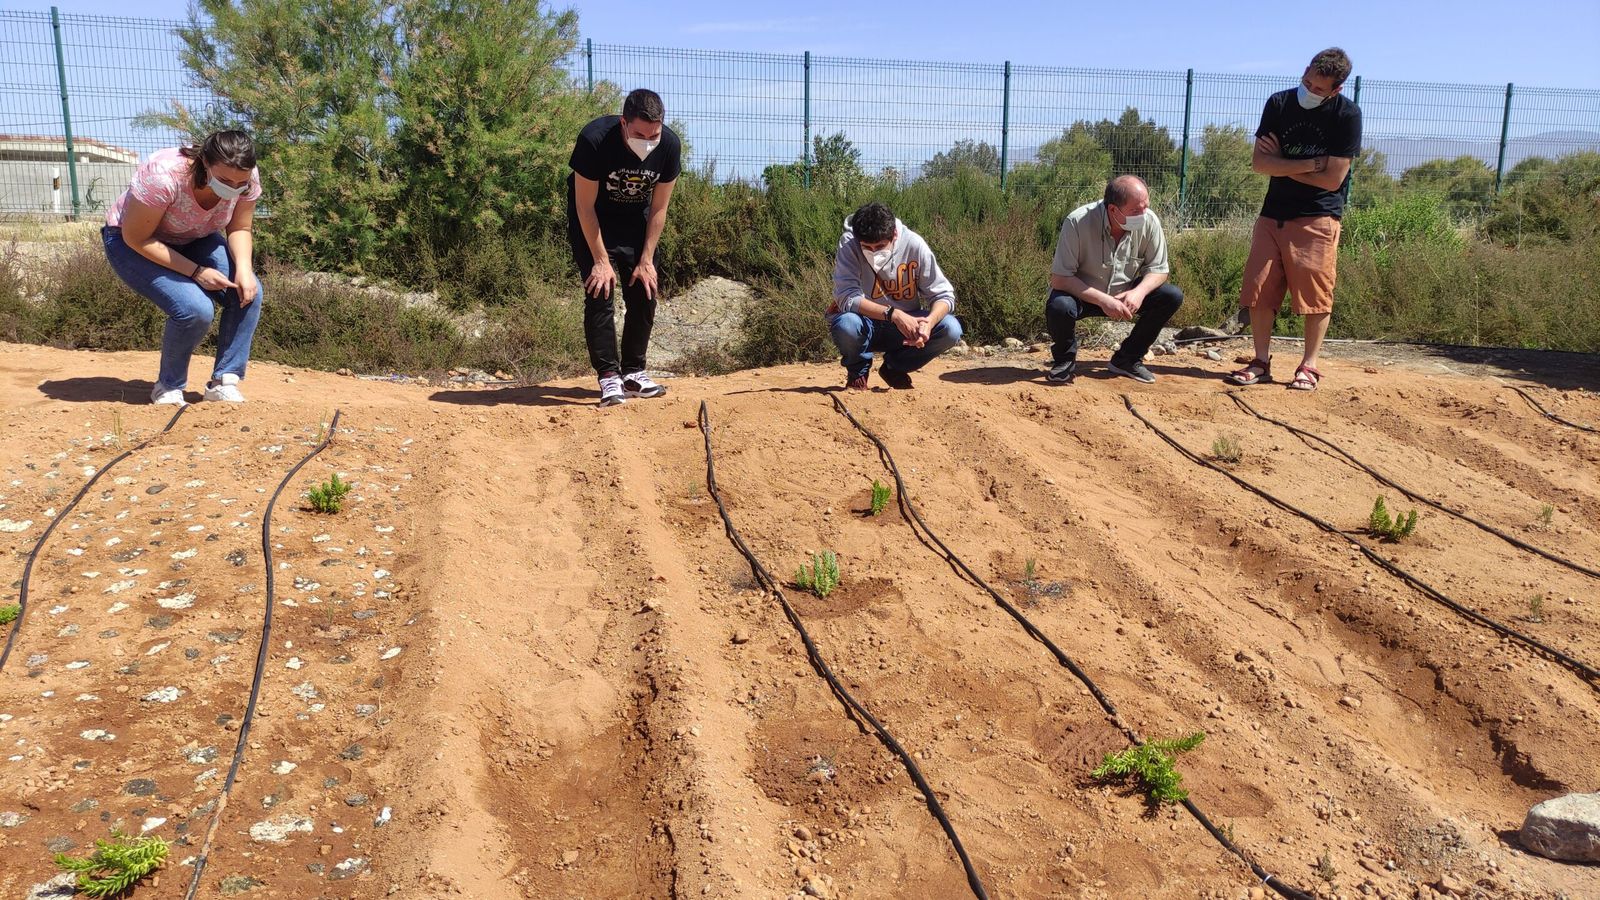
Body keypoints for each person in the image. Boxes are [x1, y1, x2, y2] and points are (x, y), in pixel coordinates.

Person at [1228, 47, 1361, 391]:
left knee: (1315, 295)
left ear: (1336, 89)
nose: (1310, 92)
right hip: (1273, 214)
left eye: (1319, 89)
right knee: (1258, 290)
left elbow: (1333, 180)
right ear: (1304, 71)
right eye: (1307, 82)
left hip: (1318, 216)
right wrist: (1312, 163)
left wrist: (1283, 164)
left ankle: (1309, 366)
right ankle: (1260, 362)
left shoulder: (1346, 116)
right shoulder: (1279, 104)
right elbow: (1260, 164)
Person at [102, 130, 263, 405]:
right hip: (133, 241)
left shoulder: (245, 178)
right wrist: (196, 272)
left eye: (240, 183)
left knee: (249, 291)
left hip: (193, 236)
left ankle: (224, 381)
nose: (233, 188)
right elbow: (137, 238)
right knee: (194, 309)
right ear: (204, 164)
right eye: (224, 181)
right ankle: (168, 387)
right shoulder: (164, 175)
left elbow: (240, 227)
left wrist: (245, 271)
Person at [567, 88, 682, 407]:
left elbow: (659, 208)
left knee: (645, 289)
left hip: (636, 218)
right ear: (623, 123)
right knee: (600, 288)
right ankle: (608, 377)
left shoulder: (669, 145)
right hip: (594, 217)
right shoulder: (594, 139)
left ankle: (634, 373)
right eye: (640, 134)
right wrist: (600, 261)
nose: (648, 141)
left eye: (654, 134)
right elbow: (584, 206)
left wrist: (646, 260)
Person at [1044, 175, 1183, 384]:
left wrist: (1139, 292)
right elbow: (1060, 279)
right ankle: (1064, 362)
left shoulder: (1149, 220)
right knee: (1059, 306)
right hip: (1084, 296)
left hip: (1126, 295)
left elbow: (1159, 270)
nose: (1143, 214)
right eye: (1136, 210)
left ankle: (1128, 359)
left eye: (1146, 206)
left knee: (1171, 296)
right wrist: (1102, 300)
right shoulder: (1077, 222)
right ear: (1112, 210)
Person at [828, 201, 963, 390]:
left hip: (905, 328)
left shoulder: (914, 244)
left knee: (951, 329)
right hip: (865, 322)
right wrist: (894, 314)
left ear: (895, 235)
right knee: (846, 324)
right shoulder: (849, 244)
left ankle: (894, 367)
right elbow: (846, 296)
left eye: (881, 246)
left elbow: (944, 295)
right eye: (867, 246)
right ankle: (857, 373)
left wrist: (929, 323)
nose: (874, 252)